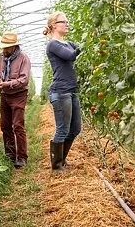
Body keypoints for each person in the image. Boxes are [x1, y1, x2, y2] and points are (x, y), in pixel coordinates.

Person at [43, 12, 81, 172]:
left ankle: (62, 159)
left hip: (72, 91)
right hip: (60, 91)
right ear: (53, 25)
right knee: (63, 129)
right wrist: (85, 43)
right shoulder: (53, 44)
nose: (67, 24)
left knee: (75, 128)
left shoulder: (69, 43)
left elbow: (75, 50)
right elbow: (71, 56)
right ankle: (56, 165)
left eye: (67, 21)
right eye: (63, 21)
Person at [0, 31, 31, 169]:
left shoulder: (23, 58)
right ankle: (10, 155)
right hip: (5, 94)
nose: (4, 49)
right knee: (5, 125)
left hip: (19, 95)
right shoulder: (1, 57)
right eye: (3, 46)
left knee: (17, 125)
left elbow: (24, 79)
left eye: (6, 47)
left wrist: (7, 84)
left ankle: (22, 157)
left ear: (14, 46)